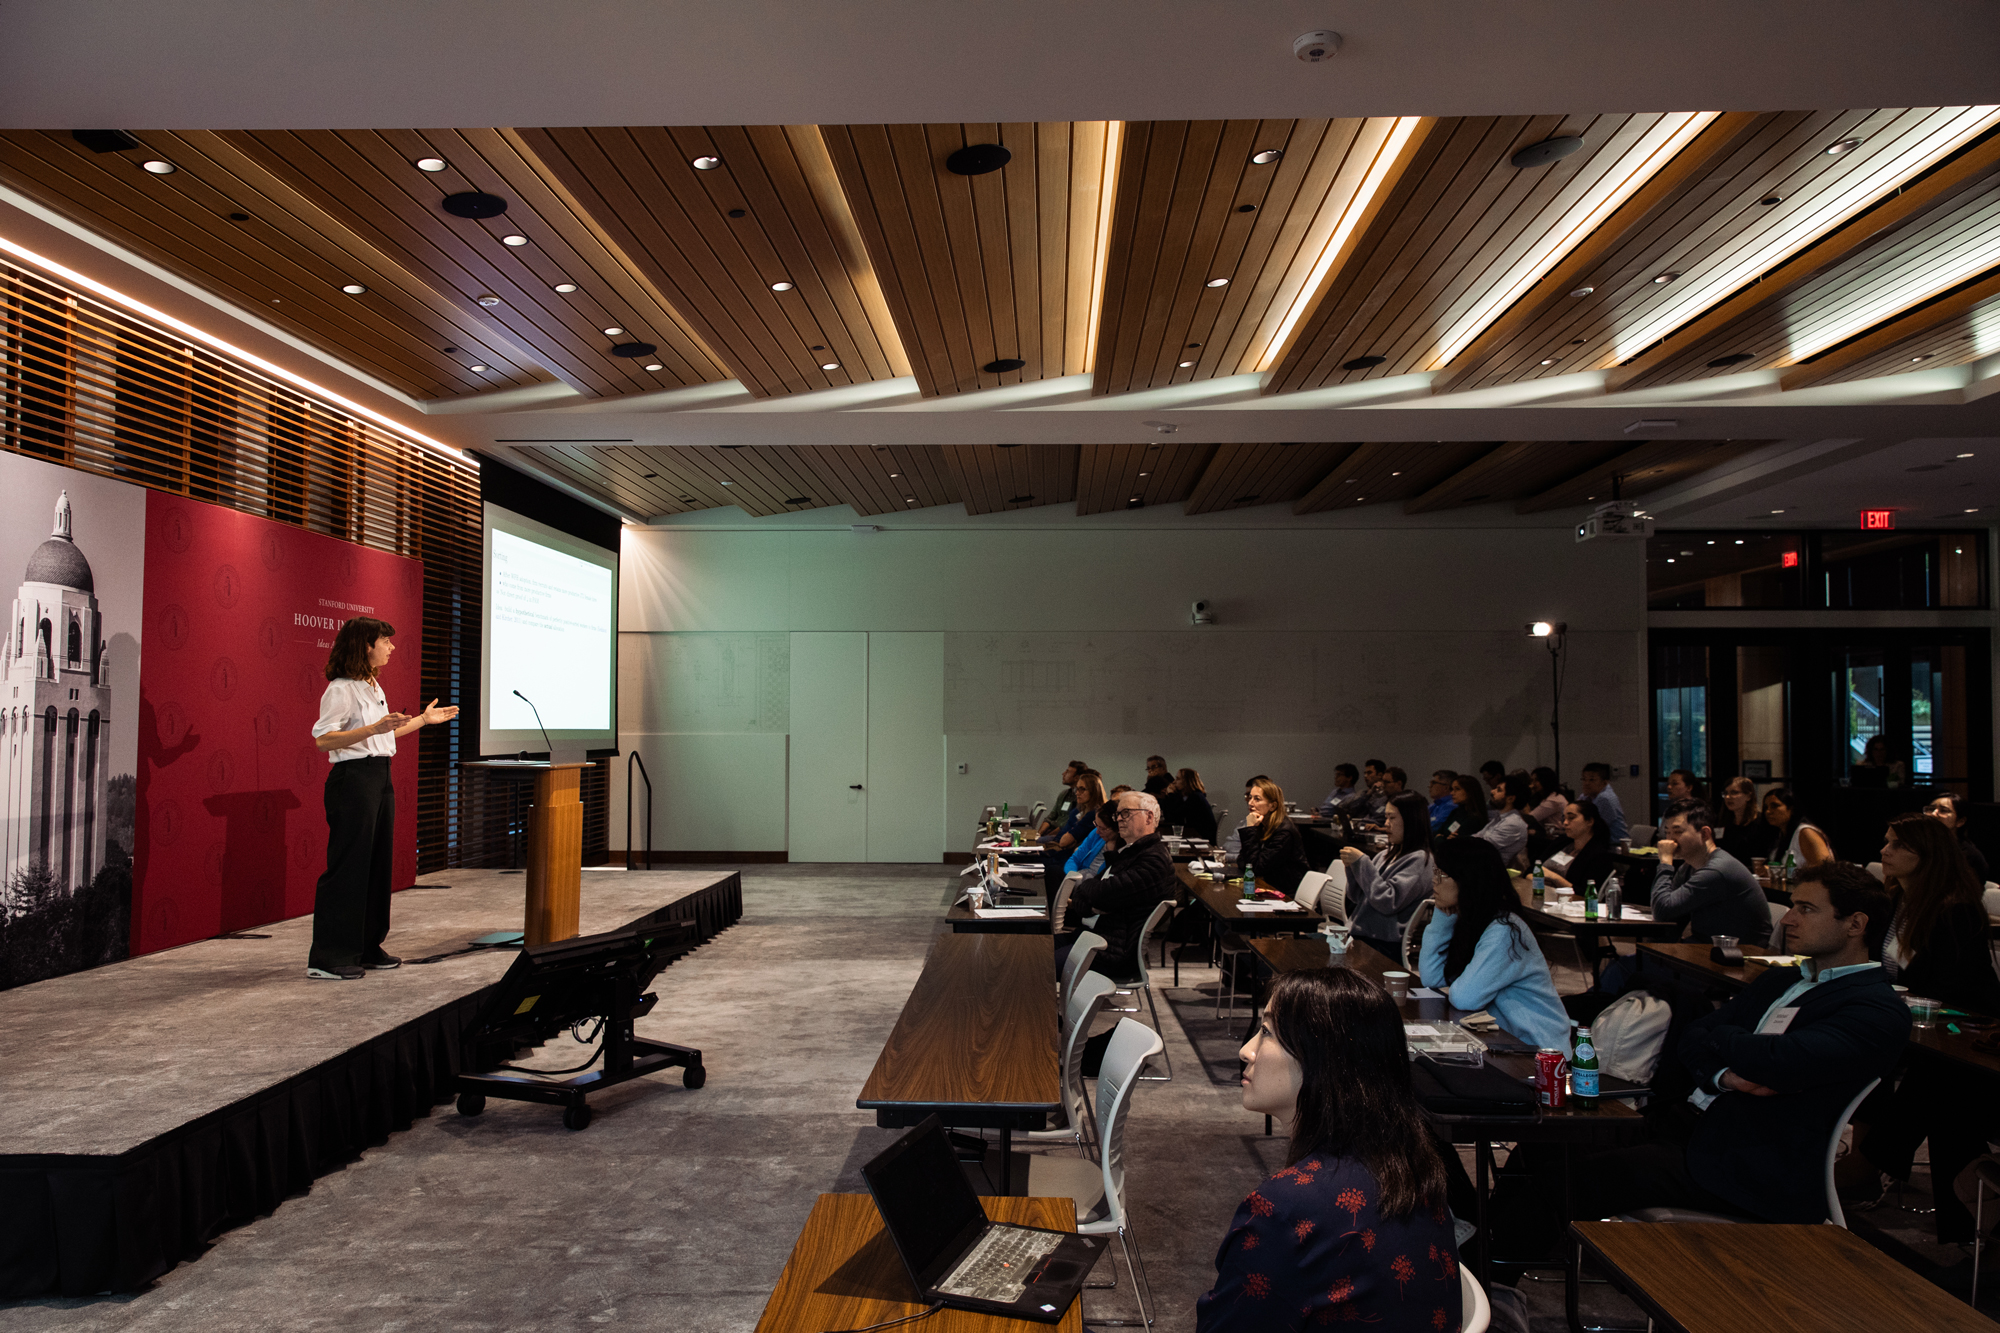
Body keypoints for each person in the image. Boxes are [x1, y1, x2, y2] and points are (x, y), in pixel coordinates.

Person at [1493, 862, 1906, 1259]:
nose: (1788, 920)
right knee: (1541, 1140)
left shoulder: (1875, 1008)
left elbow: (1778, 1060)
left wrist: (1724, 1038)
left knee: (1566, 1179)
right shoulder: (1783, 978)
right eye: (1793, 906)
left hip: (1745, 1160)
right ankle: (1487, 1264)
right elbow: (1692, 1037)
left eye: (1807, 909)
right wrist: (1726, 1073)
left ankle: (1494, 1292)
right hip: (1683, 1123)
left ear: (1856, 924)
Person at [1197, 969, 1461, 1332]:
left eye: (1267, 1033)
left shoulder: (1284, 1208)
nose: (1246, 1050)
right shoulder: (1418, 1169)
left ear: (1322, 1059)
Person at [1842, 814, 2000, 1237]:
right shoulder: (1898, 903)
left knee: (1940, 1087)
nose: (1884, 852)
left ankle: (1867, 1165)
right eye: (1886, 842)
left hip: (1961, 1030)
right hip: (1913, 1023)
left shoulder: (1956, 910)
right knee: (1875, 1058)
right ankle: (1868, 1164)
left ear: (1924, 855)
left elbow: (1954, 988)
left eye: (1895, 845)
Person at [307, 617, 458, 980]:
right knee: (348, 866)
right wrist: (374, 727)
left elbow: (384, 734)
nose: (391, 648)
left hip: (379, 776)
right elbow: (323, 739)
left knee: (377, 866)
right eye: (385, 642)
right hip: (353, 779)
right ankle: (328, 957)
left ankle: (367, 946)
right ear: (365, 646)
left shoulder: (372, 684)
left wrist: (423, 720)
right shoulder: (341, 689)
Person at [1421, 838, 1572, 1053]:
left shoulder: (1505, 930)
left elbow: (1465, 997)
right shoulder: (1471, 920)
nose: (1434, 882)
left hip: (1539, 1049)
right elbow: (1431, 978)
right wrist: (1442, 917)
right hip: (1502, 1040)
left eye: (1441, 875)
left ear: (1468, 879)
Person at [1059, 790, 1174, 980]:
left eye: (1126, 813)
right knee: (1033, 949)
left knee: (1037, 962)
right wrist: (1091, 901)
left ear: (1149, 817)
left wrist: (1090, 895)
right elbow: (1086, 900)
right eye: (1118, 814)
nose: (1119, 819)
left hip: (1112, 953)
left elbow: (1100, 893)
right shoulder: (1129, 853)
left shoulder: (1153, 861)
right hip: (1095, 938)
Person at [1650, 798, 1773, 948]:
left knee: (1626, 967)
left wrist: (1664, 863)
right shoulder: (1687, 868)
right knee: (1634, 963)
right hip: (1707, 948)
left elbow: (1662, 909)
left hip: (1739, 957)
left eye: (1677, 832)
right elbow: (1669, 913)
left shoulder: (1717, 870)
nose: (1669, 841)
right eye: (1667, 833)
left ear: (1705, 834)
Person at [1338, 791, 1434, 959]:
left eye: (1392, 818)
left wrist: (1361, 863)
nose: (1386, 824)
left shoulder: (1420, 861)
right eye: (1386, 817)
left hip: (1384, 944)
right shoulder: (1385, 854)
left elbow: (1388, 902)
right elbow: (1356, 897)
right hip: (1361, 934)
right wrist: (1352, 867)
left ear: (1411, 820)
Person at [1238, 777, 1310, 894]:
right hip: (1269, 887)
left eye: (1257, 799)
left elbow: (1255, 869)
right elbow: (1243, 861)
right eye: (1250, 797)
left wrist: (1250, 829)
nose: (1250, 803)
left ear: (1273, 806)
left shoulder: (1284, 833)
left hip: (1287, 894)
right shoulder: (1261, 825)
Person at [1538, 798, 1615, 892]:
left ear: (1589, 821)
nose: (1565, 823)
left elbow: (1586, 893)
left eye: (1571, 818)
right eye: (1564, 818)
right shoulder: (1561, 842)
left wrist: (1554, 878)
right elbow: (1530, 871)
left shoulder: (1599, 856)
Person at [1925, 791, 1989, 884]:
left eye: (1943, 810)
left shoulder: (1968, 855)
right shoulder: (1919, 846)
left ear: (1960, 821)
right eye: (1930, 809)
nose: (1933, 814)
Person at [1762, 787, 1832, 870]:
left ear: (1791, 809)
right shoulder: (1780, 835)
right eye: (1766, 807)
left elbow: (1825, 868)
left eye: (1775, 806)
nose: (1768, 811)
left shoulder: (1806, 832)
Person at [1715, 776, 1777, 866]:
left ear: (1748, 796)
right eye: (1725, 793)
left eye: (1734, 793)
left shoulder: (1762, 822)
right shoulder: (1721, 822)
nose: (1728, 797)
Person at [1475, 772, 1533, 867]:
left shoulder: (1512, 823)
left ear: (1510, 799)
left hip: (1495, 872)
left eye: (1498, 790)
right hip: (1484, 866)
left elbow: (1484, 846)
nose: (1492, 792)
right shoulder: (1500, 817)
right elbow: (1479, 836)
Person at [1063, 798, 1121, 878]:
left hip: (1096, 884)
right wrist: (1072, 876)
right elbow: (1075, 858)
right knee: (1054, 870)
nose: (1097, 831)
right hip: (1079, 876)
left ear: (1117, 828)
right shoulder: (1096, 833)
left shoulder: (1122, 848)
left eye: (1103, 828)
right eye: (1096, 824)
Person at [1161, 767, 1218, 843]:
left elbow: (1174, 816)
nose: (1174, 782)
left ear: (1186, 781)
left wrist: (1171, 794)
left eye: (1178, 779)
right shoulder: (1188, 796)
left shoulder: (1195, 797)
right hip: (1195, 835)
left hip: (1201, 838)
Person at [1578, 762, 1628, 844]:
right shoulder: (1586, 796)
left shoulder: (1605, 798)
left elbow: (1594, 828)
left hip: (1614, 846)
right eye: (1584, 779)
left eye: (1592, 780)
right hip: (1599, 842)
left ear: (1604, 782)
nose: (1586, 783)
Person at [1036, 760, 1088, 837]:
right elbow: (1050, 818)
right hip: (1050, 832)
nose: (1063, 774)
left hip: (1061, 835)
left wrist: (1045, 837)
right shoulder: (1064, 794)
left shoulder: (1080, 800)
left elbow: (1066, 826)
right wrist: (1038, 834)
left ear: (1076, 778)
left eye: (1067, 772)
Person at [1438, 774, 1488, 839]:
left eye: (1457, 789)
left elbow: (1453, 842)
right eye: (1452, 789)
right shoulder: (1456, 812)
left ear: (1469, 791)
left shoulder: (1475, 819)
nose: (1452, 793)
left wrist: (1440, 838)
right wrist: (1441, 838)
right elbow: (1438, 832)